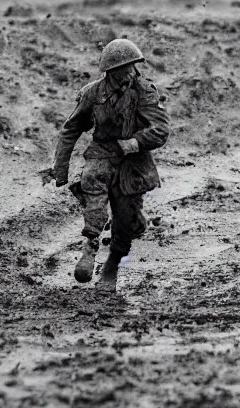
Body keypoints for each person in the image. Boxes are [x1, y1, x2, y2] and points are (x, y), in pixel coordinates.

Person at [40, 38, 170, 292]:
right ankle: (89, 248)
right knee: (93, 194)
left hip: (133, 162)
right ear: (110, 72)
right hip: (101, 153)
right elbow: (71, 130)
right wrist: (61, 169)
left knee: (127, 223)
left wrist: (134, 143)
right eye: (124, 68)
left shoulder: (144, 91)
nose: (129, 72)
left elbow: (161, 130)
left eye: (133, 66)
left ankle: (112, 265)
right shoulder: (93, 93)